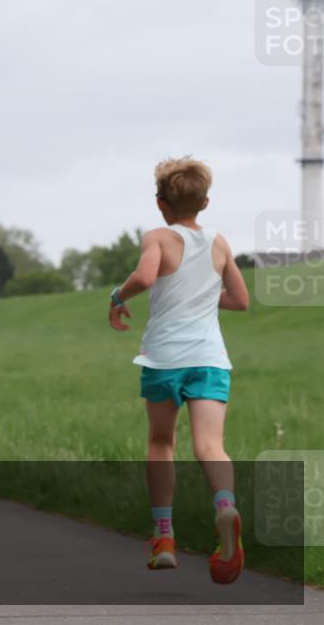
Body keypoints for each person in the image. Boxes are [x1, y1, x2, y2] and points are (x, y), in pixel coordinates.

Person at [108, 156, 249, 584]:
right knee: (210, 446)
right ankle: (225, 505)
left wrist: (118, 295)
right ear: (205, 202)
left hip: (165, 358)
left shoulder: (158, 237)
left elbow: (147, 277)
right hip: (209, 358)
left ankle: (164, 537)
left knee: (161, 440)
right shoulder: (219, 243)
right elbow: (240, 300)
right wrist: (205, 297)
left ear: (160, 202)